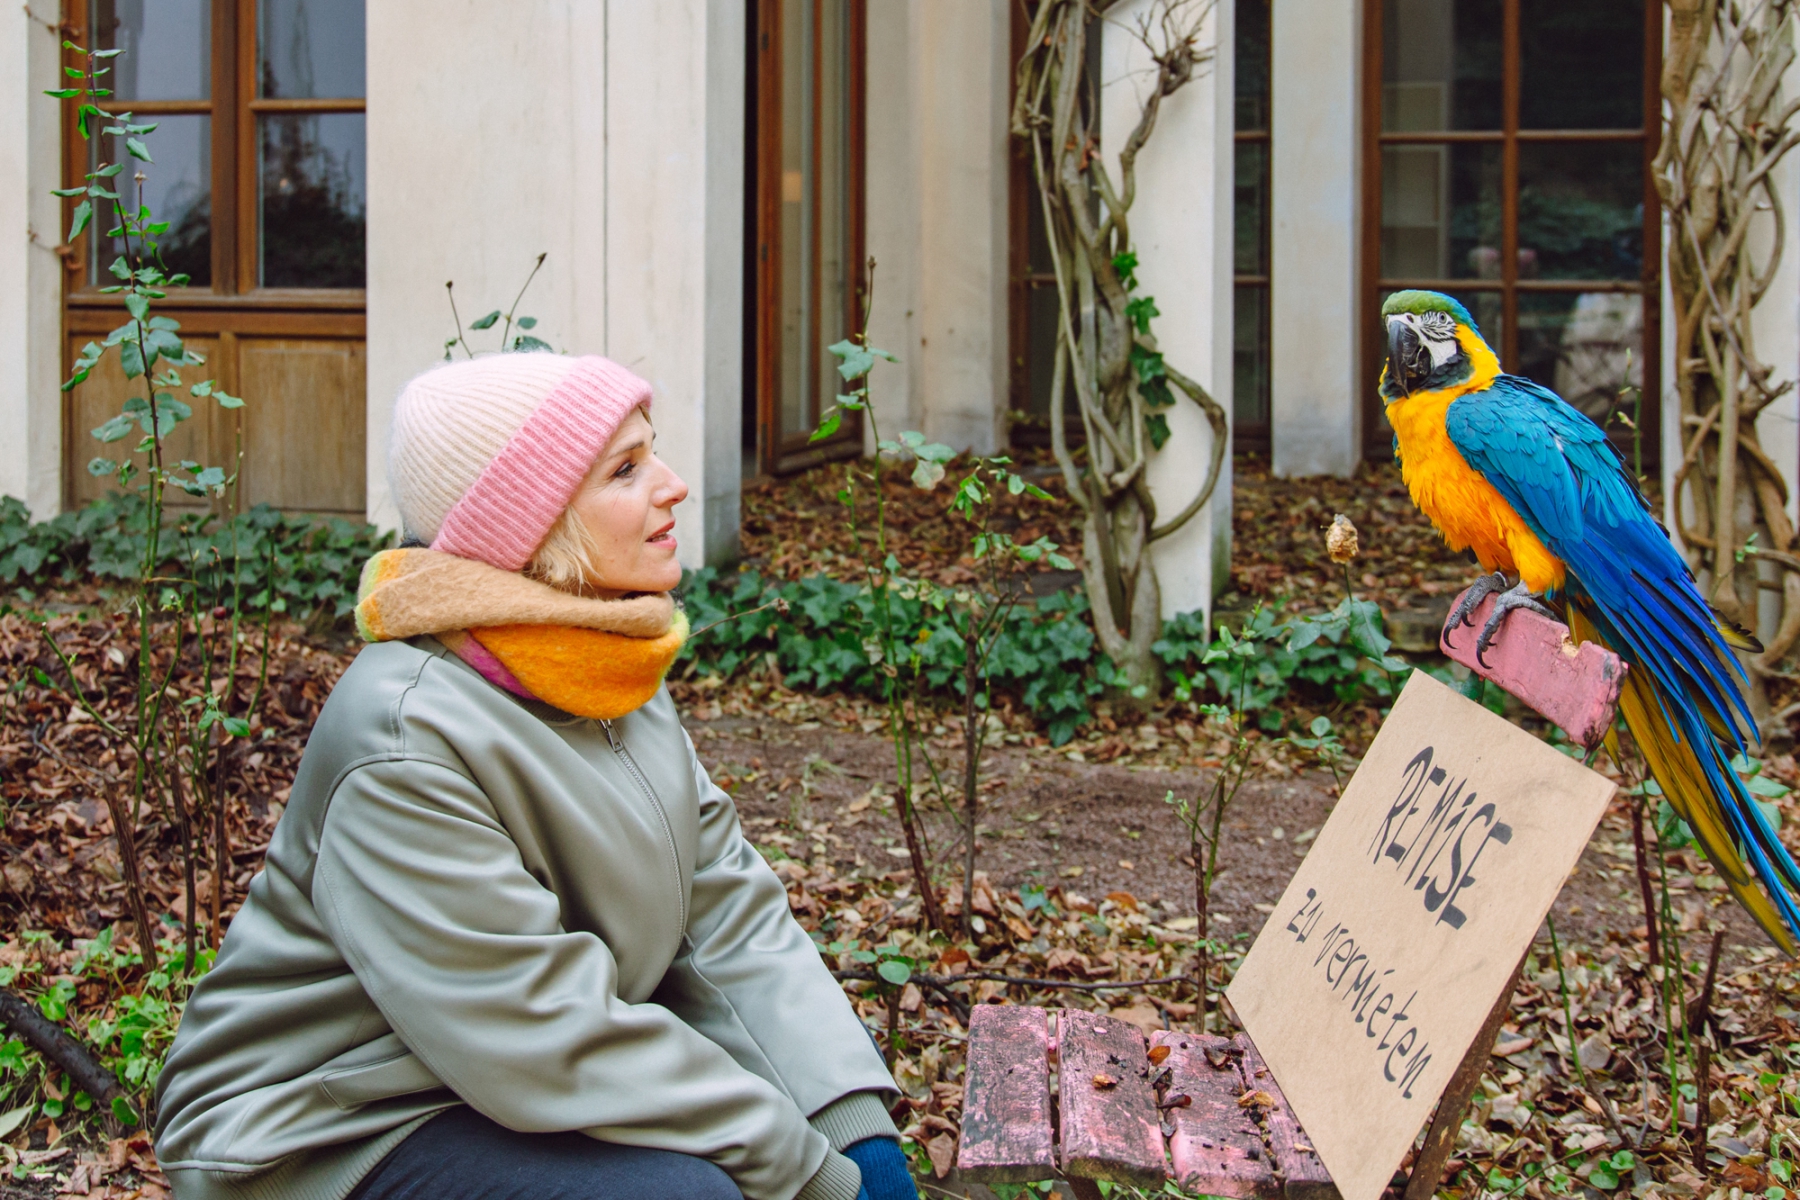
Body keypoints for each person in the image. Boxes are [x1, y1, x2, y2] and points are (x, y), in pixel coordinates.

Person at [153, 354, 918, 1200]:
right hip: (327, 1128)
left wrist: (852, 1130)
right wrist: (811, 1177)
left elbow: (727, 920)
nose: (672, 487)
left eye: (651, 454)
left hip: (494, 1089)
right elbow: (539, 1033)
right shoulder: (405, 736)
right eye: (625, 471)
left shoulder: (600, 672)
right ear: (530, 526)